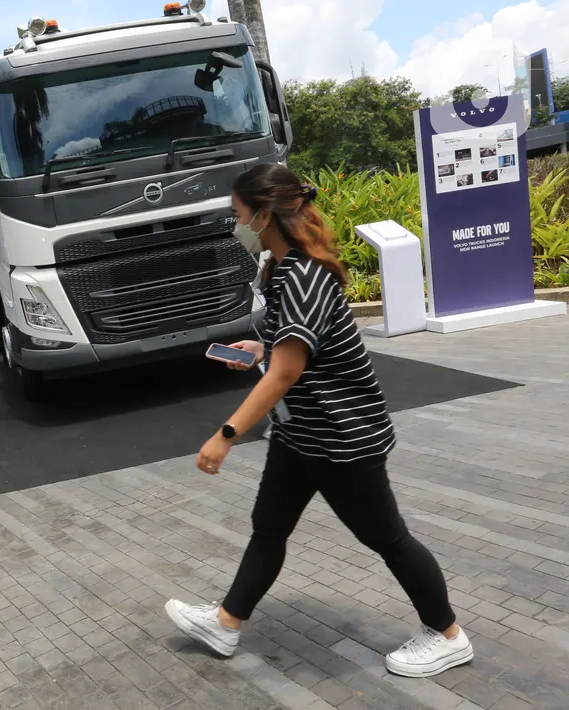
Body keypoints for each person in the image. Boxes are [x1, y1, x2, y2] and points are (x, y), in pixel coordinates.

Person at [164, 164, 473, 679]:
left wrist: (226, 435)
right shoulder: (281, 268)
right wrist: (260, 348)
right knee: (269, 529)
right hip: (301, 433)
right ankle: (225, 622)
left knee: (388, 538)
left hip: (342, 437)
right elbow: (293, 351)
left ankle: (448, 636)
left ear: (264, 214)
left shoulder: (304, 274)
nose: (234, 224)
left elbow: (285, 374)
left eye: (237, 214)